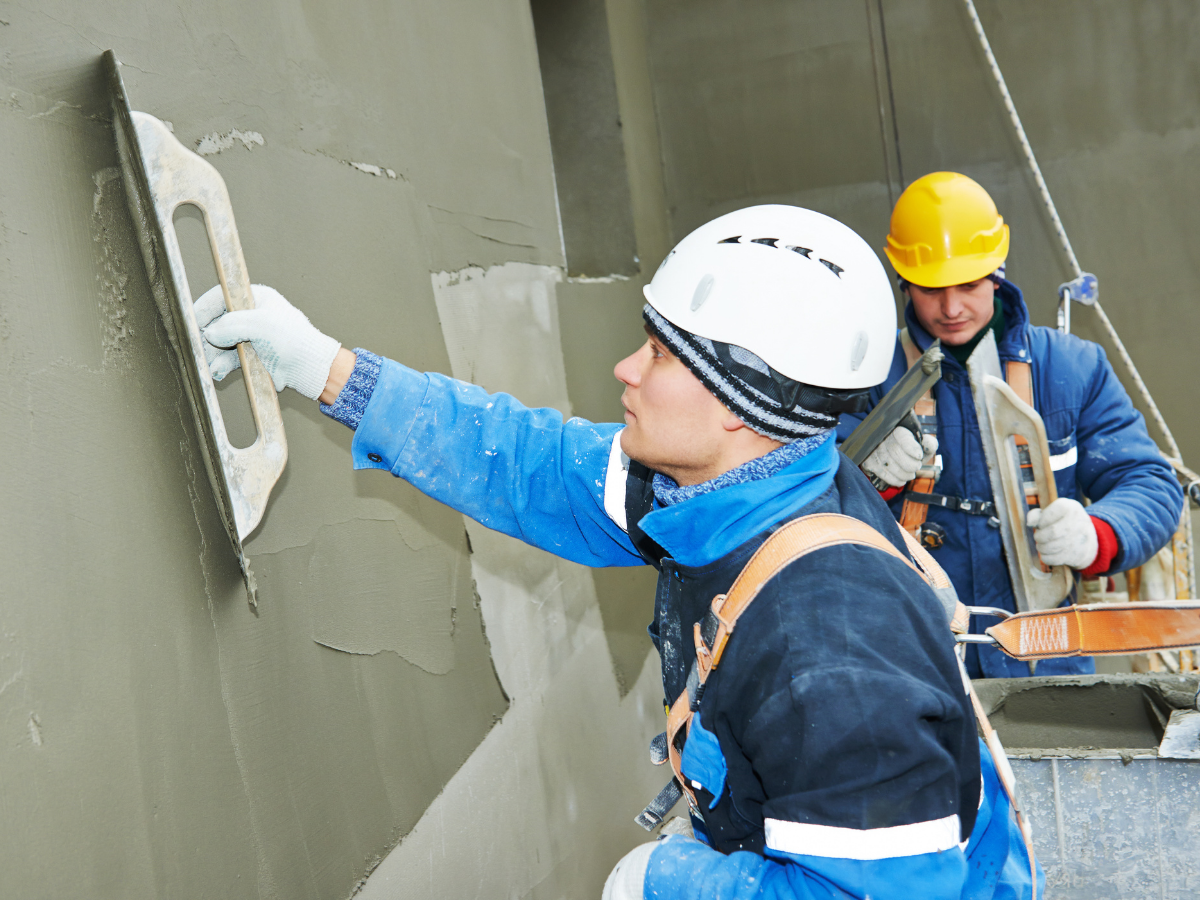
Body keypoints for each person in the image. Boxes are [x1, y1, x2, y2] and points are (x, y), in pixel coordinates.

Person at [196, 205, 1039, 899]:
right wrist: (323, 368)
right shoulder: (721, 490)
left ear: (742, 406)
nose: (625, 368)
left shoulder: (830, 642)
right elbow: (522, 460)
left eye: (662, 355)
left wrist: (670, 880)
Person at [844, 172, 1185, 679]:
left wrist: (1098, 535)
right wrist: (863, 473)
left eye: (969, 284)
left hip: (1047, 659)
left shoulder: (1071, 368)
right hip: (913, 664)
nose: (952, 307)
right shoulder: (869, 375)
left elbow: (1148, 483)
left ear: (997, 272)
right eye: (932, 289)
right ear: (905, 282)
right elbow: (804, 501)